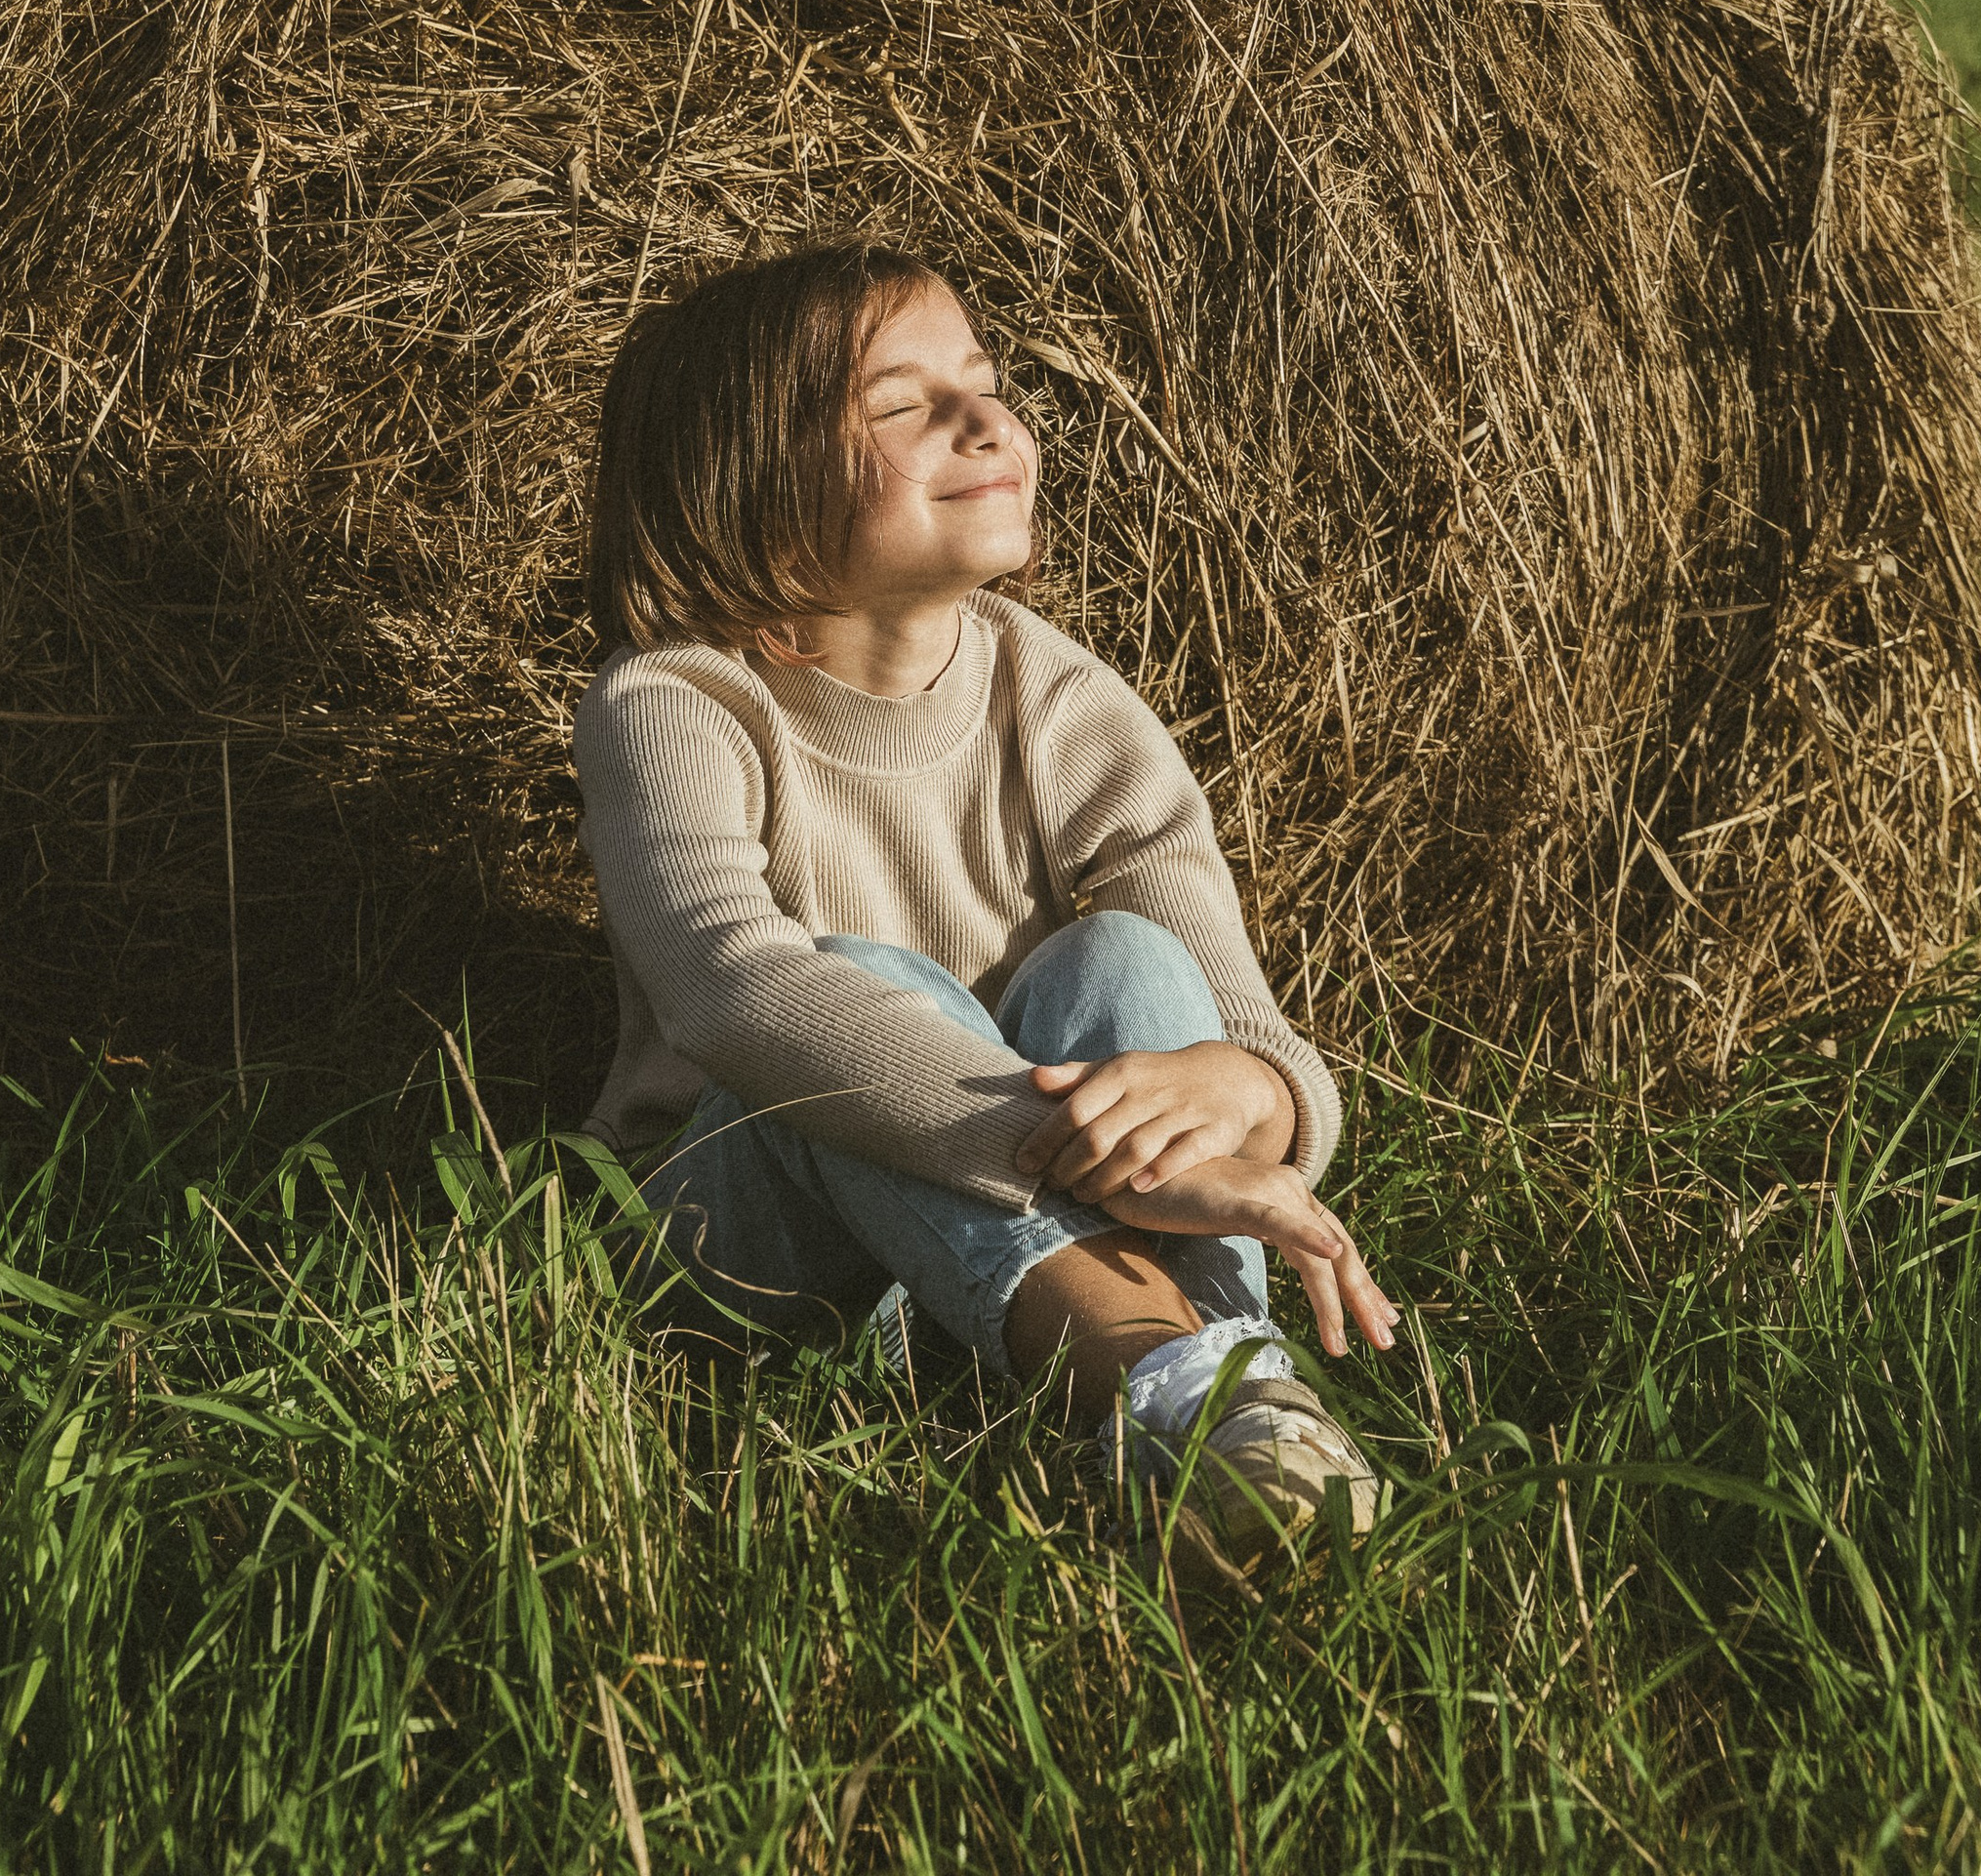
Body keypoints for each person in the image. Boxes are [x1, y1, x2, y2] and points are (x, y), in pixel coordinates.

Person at [572, 237, 1399, 1571]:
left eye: (985, 378)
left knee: (1126, 957)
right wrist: (1079, 1145)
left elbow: (1240, 1011)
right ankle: (1184, 1393)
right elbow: (737, 992)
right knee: (857, 984)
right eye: (901, 404)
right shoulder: (673, 704)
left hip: (1003, 1218)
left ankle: (1232, 1410)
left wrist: (1246, 1103)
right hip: (740, 1240)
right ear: (748, 488)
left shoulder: (1065, 702)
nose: (986, 419)